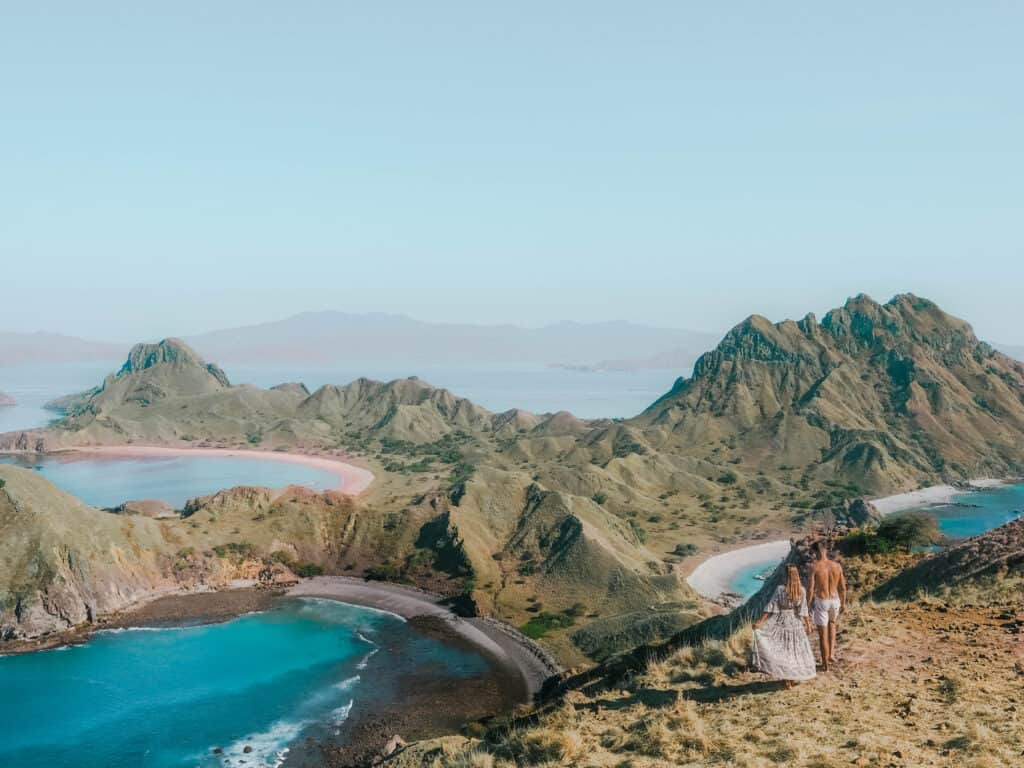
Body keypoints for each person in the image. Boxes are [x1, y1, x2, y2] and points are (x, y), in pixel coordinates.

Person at [752, 564, 816, 688]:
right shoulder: (801, 590)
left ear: (786, 575)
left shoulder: (780, 589)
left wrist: (760, 622)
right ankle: (792, 677)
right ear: (796, 575)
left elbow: (770, 607)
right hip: (796, 623)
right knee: (795, 651)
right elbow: (803, 610)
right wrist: (808, 624)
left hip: (781, 622)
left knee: (784, 651)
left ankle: (787, 679)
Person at [807, 539, 847, 671]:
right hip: (835, 600)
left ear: (815, 551)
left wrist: (807, 605)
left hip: (822, 601)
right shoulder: (837, 566)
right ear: (826, 550)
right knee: (832, 624)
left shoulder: (815, 567)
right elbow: (842, 587)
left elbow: (811, 589)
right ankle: (831, 654)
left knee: (822, 634)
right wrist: (844, 603)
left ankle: (825, 665)